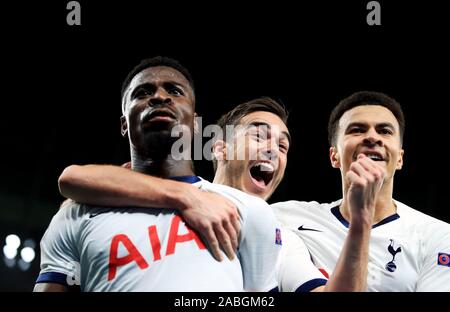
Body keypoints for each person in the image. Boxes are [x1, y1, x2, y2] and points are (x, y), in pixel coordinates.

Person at [55, 92, 384, 292]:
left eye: (282, 145)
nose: (273, 150)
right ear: (220, 148)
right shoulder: (159, 194)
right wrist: (186, 197)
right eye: (259, 136)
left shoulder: (281, 236)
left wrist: (361, 220)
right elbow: (74, 178)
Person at [34, 56, 281, 292]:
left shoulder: (248, 210)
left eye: (174, 91)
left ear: (196, 123)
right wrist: (186, 195)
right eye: (142, 93)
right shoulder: (75, 214)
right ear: (124, 124)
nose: (159, 97)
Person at [272, 91, 450, 291]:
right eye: (357, 130)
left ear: (399, 159)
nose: (372, 137)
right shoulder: (286, 217)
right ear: (334, 156)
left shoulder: (438, 236)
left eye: (385, 131)